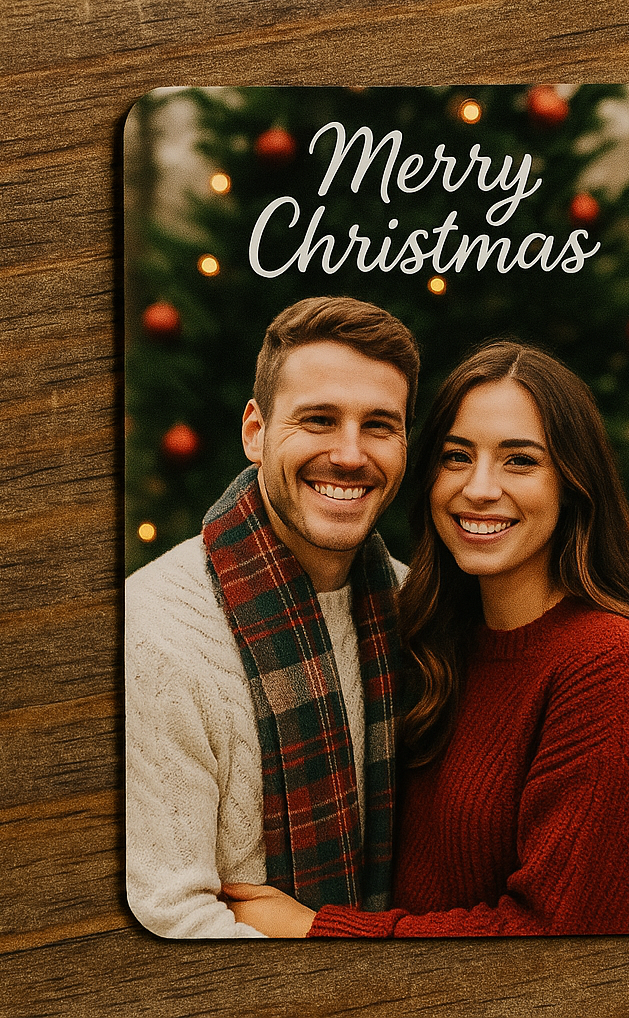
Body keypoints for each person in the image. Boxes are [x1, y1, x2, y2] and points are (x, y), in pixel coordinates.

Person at [223, 340, 629, 937]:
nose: (479, 488)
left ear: (572, 484)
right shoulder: (430, 641)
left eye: (520, 461)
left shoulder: (610, 666)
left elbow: (561, 937)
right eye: (457, 457)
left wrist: (315, 930)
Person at [125, 296, 419, 937]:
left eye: (379, 425)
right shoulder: (154, 634)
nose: (349, 454)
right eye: (317, 420)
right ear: (255, 431)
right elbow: (169, 924)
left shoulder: (413, 607)